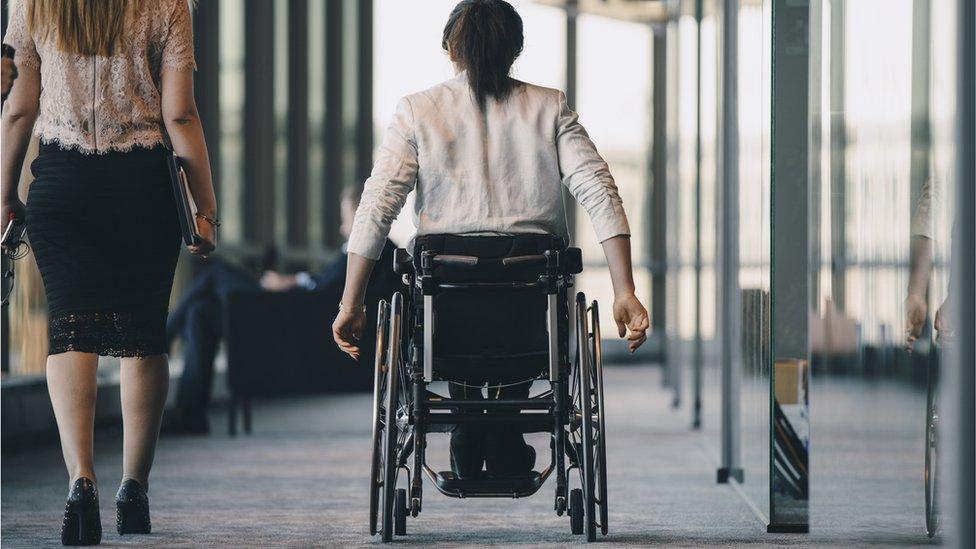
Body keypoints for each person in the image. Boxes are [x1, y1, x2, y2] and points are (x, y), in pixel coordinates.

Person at [332, 0, 649, 479]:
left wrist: (350, 302)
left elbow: (377, 206)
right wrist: (624, 291)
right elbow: (599, 189)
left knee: (444, 303)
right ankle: (502, 433)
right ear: (516, 49)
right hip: (529, 305)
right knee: (526, 301)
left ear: (448, 48)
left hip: (447, 304)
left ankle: (467, 423)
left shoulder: (417, 111)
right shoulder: (549, 106)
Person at [0, 0, 216, 544]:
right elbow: (180, 115)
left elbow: (19, 110)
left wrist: (3, 197)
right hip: (142, 190)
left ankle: (81, 482)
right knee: (143, 336)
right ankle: (133, 489)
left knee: (69, 330)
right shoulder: (168, 5)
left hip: (63, 186)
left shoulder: (33, 4)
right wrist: (205, 210)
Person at [164, 188, 397, 435]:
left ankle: (165, 337)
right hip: (289, 318)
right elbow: (330, 286)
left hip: (283, 318)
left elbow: (323, 290)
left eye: (346, 219)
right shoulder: (381, 254)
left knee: (216, 272)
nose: (342, 228)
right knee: (201, 314)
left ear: (362, 217)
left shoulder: (365, 251)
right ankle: (191, 414)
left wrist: (288, 282)